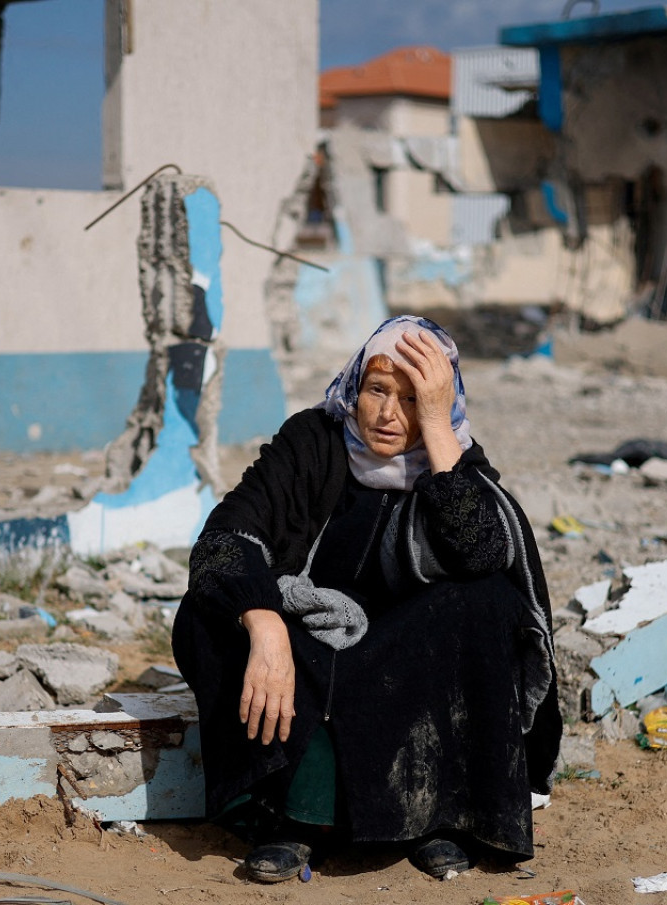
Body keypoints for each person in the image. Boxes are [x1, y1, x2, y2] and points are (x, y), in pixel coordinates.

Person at [171, 315, 561, 882]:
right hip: (306, 645)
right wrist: (267, 626)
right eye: (378, 390)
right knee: (206, 615)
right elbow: (223, 538)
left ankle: (437, 818)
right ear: (355, 386)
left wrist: (436, 427)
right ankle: (289, 818)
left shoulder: (452, 461)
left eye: (412, 398)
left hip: (400, 663)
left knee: (488, 603)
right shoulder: (312, 442)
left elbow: (482, 552)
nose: (387, 414)